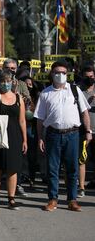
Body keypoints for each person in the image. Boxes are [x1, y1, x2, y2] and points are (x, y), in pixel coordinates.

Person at [34, 60, 91, 212]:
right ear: (51, 74)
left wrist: (88, 131)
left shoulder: (74, 90)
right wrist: (40, 137)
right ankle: (53, 199)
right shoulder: (45, 93)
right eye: (57, 72)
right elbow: (40, 119)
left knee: (72, 169)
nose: (60, 75)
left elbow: (85, 112)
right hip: (53, 135)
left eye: (64, 73)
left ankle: (72, 200)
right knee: (53, 169)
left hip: (72, 135)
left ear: (68, 74)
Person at [0, 56, 27, 211]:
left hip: (15, 136)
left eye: (8, 81)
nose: (5, 83)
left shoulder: (18, 98)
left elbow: (22, 121)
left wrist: (25, 140)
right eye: (2, 81)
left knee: (12, 169)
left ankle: (11, 199)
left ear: (12, 82)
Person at [3, 58, 30, 197]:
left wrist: (16, 93)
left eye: (13, 68)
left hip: (16, 123)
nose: (10, 70)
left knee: (16, 158)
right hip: (0, 126)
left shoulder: (21, 84)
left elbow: (28, 100)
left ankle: (17, 184)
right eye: (7, 68)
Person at [81, 65, 95, 192]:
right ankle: (81, 185)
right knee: (83, 157)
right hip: (84, 130)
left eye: (91, 76)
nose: (89, 79)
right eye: (87, 77)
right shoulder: (78, 90)